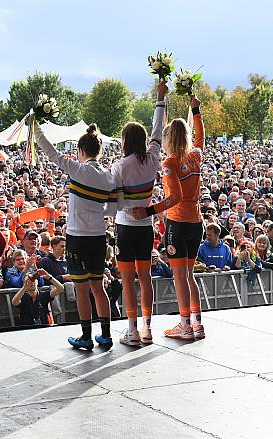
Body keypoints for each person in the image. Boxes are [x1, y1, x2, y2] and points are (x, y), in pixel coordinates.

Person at [33, 118, 118, 350]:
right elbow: (112, 210)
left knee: (82, 288)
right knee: (98, 287)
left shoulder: (77, 169)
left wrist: (36, 127)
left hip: (77, 237)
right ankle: (107, 335)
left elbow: (50, 151)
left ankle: (86, 336)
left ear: (80, 151)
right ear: (99, 151)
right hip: (98, 236)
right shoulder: (110, 177)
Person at [133, 94, 205, 340]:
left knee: (179, 277)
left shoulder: (170, 163)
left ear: (168, 139)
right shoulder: (195, 156)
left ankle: (184, 325)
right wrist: (196, 112)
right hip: (196, 222)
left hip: (178, 222)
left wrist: (149, 211)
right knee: (190, 275)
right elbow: (200, 139)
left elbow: (174, 197)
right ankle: (197, 323)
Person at [110, 80, 167, 345]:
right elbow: (158, 129)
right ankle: (147, 329)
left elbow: (115, 199)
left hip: (125, 227)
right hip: (146, 227)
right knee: (145, 278)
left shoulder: (120, 165)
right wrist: (160, 98)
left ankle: (131, 330)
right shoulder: (153, 157)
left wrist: (128, 207)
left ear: (125, 141)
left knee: (127, 277)